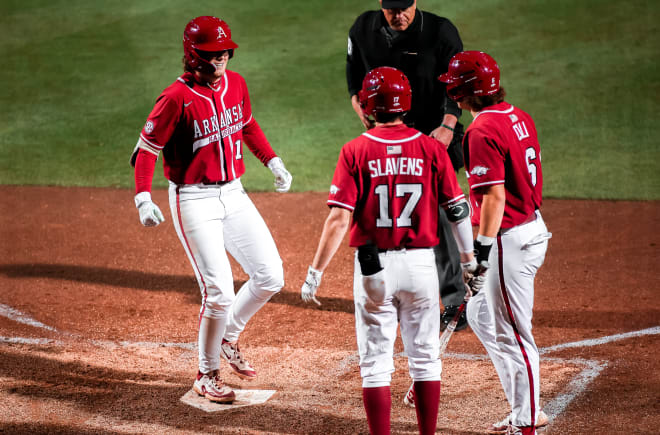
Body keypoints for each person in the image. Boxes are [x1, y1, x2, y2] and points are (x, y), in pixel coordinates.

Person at [301, 67, 475, 435]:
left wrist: (315, 273)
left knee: (375, 363)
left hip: (373, 270)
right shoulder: (431, 148)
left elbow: (337, 219)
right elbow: (457, 209)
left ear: (367, 107)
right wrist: (468, 261)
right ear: (406, 105)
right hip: (420, 267)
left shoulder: (355, 150)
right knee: (426, 360)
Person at [130, 15, 292, 403]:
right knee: (218, 291)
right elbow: (146, 150)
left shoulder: (236, 84)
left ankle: (228, 335)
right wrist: (142, 197)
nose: (219, 61)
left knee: (270, 277)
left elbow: (247, 126)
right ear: (192, 55)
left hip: (234, 193)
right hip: (193, 199)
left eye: (224, 54)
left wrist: (272, 161)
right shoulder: (175, 98)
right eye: (210, 55)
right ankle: (206, 374)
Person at [439, 51, 552, 435]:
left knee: (516, 335)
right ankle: (523, 407)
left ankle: (528, 421)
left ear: (465, 92)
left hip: (508, 240)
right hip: (527, 228)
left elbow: (494, 197)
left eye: (454, 87)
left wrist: (481, 253)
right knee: (482, 315)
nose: (451, 92)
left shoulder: (481, 130)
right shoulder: (518, 115)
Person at [346, 0, 469, 331]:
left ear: (416, 2)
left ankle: (456, 299)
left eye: (404, 8)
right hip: (387, 134)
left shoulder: (441, 33)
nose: (398, 16)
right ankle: (391, 290)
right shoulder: (362, 29)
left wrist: (447, 125)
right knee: (383, 206)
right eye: (391, 9)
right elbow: (355, 77)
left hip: (434, 133)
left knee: (441, 214)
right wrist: (363, 109)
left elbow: (454, 85)